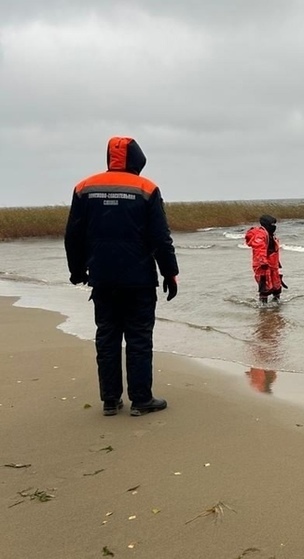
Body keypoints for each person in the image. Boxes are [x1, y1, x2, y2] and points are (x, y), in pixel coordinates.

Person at [64, 137, 179, 417]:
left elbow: (73, 236)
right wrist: (170, 272)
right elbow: (160, 238)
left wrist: (77, 271)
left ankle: (110, 400)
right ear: (138, 161)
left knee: (107, 337)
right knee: (139, 338)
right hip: (138, 279)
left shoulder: (84, 188)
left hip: (102, 278)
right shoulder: (147, 188)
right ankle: (141, 400)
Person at [245, 214, 286, 303]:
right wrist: (263, 262)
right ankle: (263, 308)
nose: (274, 226)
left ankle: (276, 306)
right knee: (265, 287)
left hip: (273, 264)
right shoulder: (260, 235)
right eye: (272, 224)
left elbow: (273, 249)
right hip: (263, 265)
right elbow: (259, 249)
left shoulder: (270, 234)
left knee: (276, 286)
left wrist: (277, 262)